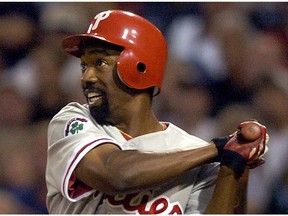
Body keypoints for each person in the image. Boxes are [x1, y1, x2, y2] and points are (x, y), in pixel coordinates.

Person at [45, 10, 268, 214]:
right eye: (84, 65)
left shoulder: (192, 152)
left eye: (100, 62)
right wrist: (216, 150)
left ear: (139, 67)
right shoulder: (72, 121)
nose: (86, 77)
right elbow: (115, 175)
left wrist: (236, 161)